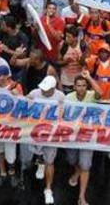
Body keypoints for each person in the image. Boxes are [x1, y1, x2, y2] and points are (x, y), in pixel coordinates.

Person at [26, 75, 64, 204]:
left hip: (51, 135)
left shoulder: (60, 97)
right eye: (43, 88)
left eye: (47, 89)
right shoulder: (34, 93)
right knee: (38, 153)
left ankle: (48, 190)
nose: (43, 91)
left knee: (50, 161)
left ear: (53, 88)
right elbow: (22, 103)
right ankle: (40, 162)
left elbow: (64, 113)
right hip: (36, 133)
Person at [65, 74, 99, 205]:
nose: (81, 88)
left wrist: (90, 78)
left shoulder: (91, 95)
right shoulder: (68, 98)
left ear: (87, 86)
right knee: (71, 159)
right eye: (78, 85)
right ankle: (76, 170)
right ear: (74, 87)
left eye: (84, 85)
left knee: (85, 165)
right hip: (72, 137)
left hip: (87, 137)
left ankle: (82, 197)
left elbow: (100, 94)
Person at [0, 69, 23, 187]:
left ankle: (12, 172)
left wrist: (17, 95)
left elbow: (23, 105)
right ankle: (2, 172)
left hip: (10, 126)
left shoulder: (16, 87)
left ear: (5, 77)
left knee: (10, 152)